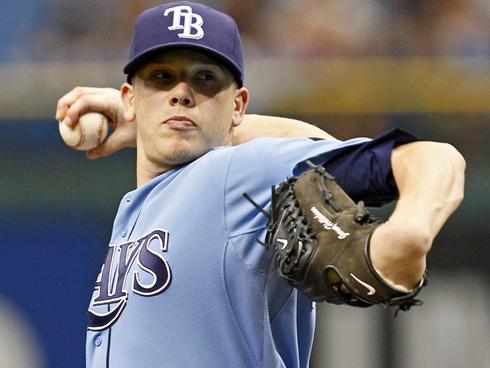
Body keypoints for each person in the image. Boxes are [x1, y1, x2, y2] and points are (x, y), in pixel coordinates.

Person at [56, 2, 465, 367]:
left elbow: (432, 157)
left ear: (238, 106)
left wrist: (410, 229)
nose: (181, 93)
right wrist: (144, 128)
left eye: (205, 80)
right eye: (161, 78)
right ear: (129, 98)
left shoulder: (234, 175)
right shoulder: (136, 208)